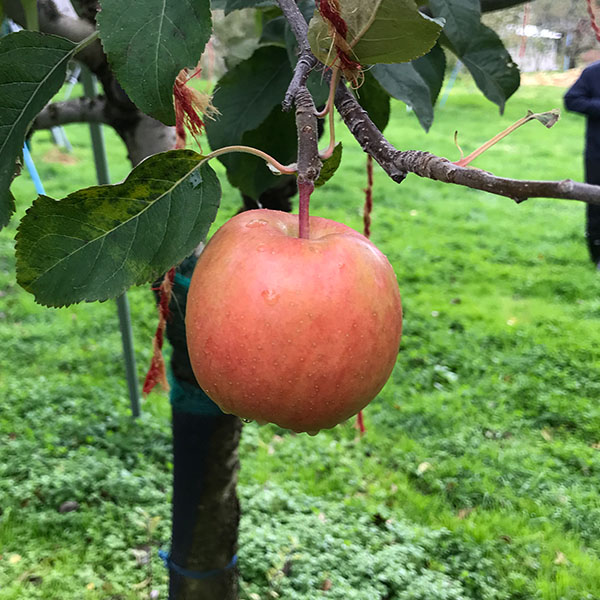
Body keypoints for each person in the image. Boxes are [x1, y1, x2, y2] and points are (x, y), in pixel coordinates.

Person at [564, 60, 600, 266]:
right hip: (598, 152)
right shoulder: (593, 73)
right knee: (596, 200)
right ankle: (597, 253)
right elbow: (571, 99)